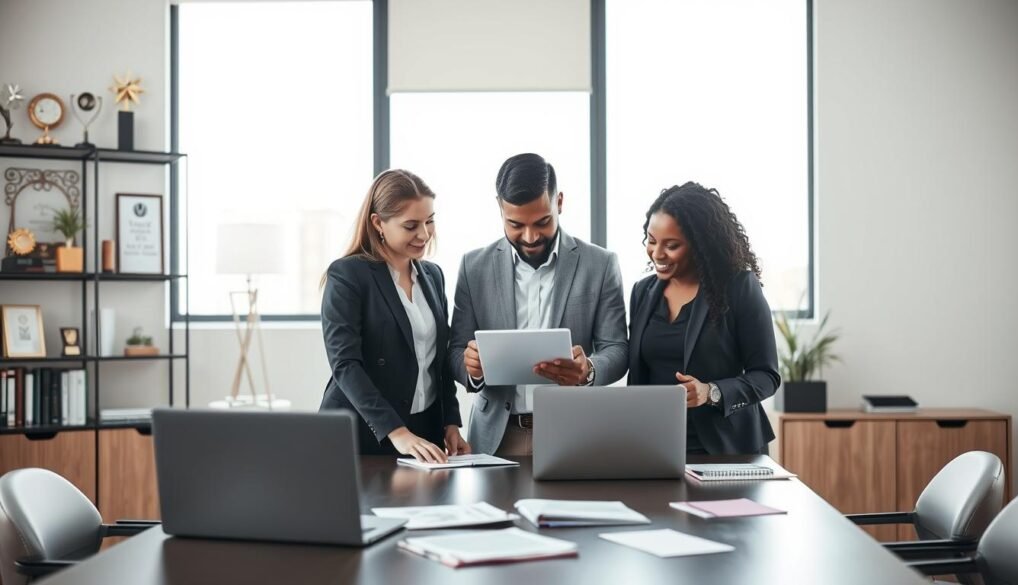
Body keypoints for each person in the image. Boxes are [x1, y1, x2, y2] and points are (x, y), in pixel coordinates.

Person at [449, 153, 629, 456]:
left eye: (542, 222)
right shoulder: (473, 267)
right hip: (496, 437)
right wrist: (472, 368)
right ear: (499, 208)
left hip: (574, 435)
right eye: (516, 224)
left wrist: (589, 370)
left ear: (559, 202)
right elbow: (454, 351)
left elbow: (618, 349)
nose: (530, 236)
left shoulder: (600, 264)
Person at [319, 169, 469, 463]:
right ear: (379, 223)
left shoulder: (433, 276)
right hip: (361, 432)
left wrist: (451, 422)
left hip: (423, 433)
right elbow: (345, 365)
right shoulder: (348, 275)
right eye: (411, 225)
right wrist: (396, 431)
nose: (424, 234)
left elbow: (438, 362)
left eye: (430, 221)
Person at [628, 182, 780, 455]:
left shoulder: (738, 288)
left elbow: (767, 376)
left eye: (671, 245)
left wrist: (711, 392)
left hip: (726, 448)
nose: (657, 254)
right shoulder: (643, 292)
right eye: (651, 240)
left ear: (700, 246)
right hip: (657, 446)